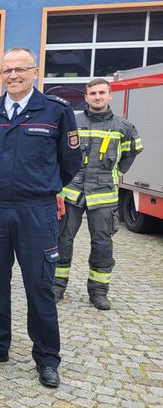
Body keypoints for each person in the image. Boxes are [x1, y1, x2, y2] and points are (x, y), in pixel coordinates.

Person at [0, 48, 81, 389]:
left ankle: (46, 357)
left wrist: (44, 187)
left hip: (36, 211)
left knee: (39, 286)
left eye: (20, 69)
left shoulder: (56, 112)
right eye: (7, 70)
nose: (13, 75)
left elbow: (70, 162)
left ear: (35, 71)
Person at [55, 78, 142, 310]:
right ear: (86, 97)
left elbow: (131, 152)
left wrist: (118, 172)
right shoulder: (72, 122)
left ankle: (99, 291)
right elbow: (60, 152)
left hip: (103, 193)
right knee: (62, 239)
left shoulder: (123, 126)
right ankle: (57, 286)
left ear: (110, 95)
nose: (97, 97)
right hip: (72, 190)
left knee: (102, 243)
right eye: (92, 93)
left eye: (102, 93)